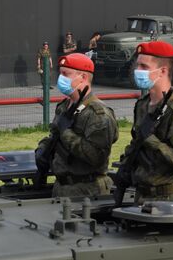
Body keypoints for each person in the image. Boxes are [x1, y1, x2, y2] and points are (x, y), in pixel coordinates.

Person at [115, 41, 173, 203]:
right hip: (142, 195)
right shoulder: (142, 105)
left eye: (144, 67)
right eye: (138, 65)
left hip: (170, 199)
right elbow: (137, 142)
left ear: (162, 71)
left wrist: (153, 142)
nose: (137, 71)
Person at [35, 53, 118, 197]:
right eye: (60, 74)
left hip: (88, 190)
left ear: (83, 77)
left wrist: (66, 133)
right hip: (61, 187)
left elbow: (96, 157)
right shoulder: (64, 107)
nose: (61, 79)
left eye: (66, 74)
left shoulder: (98, 114)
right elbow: (54, 137)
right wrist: (43, 150)